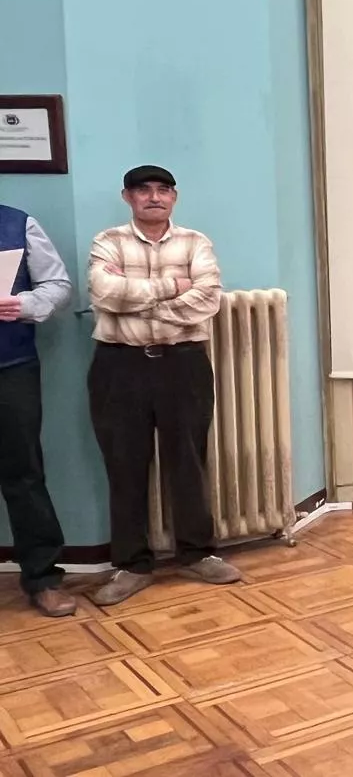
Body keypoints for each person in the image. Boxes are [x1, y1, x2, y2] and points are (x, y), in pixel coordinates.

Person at [86, 165, 240, 607]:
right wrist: (174, 287)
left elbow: (207, 300)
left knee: (188, 461)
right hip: (119, 366)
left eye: (163, 190)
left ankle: (197, 553)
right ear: (127, 197)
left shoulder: (196, 242)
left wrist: (135, 304)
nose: (154, 197)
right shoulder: (108, 241)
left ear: (174, 197)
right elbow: (102, 293)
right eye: (143, 191)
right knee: (125, 465)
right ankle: (131, 565)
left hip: (183, 364)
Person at [0, 205, 75, 617]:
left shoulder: (17, 222)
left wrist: (23, 304)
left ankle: (43, 577)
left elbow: (58, 285)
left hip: (11, 369)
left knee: (24, 474)